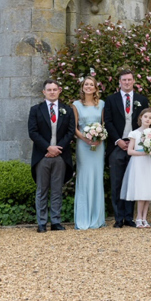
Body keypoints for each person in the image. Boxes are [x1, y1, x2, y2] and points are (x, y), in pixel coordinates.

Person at [28, 79, 75, 233]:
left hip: (60, 155)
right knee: (42, 190)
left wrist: (57, 149)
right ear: (44, 92)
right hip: (42, 155)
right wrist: (48, 148)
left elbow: (70, 131)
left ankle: (55, 221)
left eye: (55, 89)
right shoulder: (36, 110)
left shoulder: (67, 110)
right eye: (49, 90)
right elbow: (33, 132)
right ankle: (41, 222)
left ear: (59, 91)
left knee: (56, 190)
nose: (52, 92)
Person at [104, 69, 149, 228]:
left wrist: (136, 142)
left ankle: (129, 217)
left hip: (135, 146)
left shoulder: (142, 100)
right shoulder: (111, 99)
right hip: (117, 145)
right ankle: (118, 218)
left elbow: (145, 122)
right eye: (124, 80)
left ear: (133, 81)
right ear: (119, 82)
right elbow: (107, 121)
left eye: (129, 79)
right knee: (117, 183)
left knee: (133, 182)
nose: (127, 82)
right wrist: (117, 140)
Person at [120, 109, 151, 228]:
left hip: (150, 163)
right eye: (145, 117)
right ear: (140, 117)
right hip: (139, 163)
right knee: (141, 190)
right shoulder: (134, 133)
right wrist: (143, 153)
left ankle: (145, 218)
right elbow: (130, 151)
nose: (147, 119)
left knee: (149, 191)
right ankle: (138, 217)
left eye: (150, 118)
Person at [72, 77, 106, 230]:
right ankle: (83, 218)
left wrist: (100, 137)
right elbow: (74, 127)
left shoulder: (102, 104)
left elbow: (104, 125)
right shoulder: (76, 105)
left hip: (98, 146)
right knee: (84, 178)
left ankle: (96, 218)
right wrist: (85, 139)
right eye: (86, 84)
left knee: (97, 178)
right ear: (82, 87)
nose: (88, 87)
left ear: (95, 88)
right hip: (83, 146)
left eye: (91, 84)